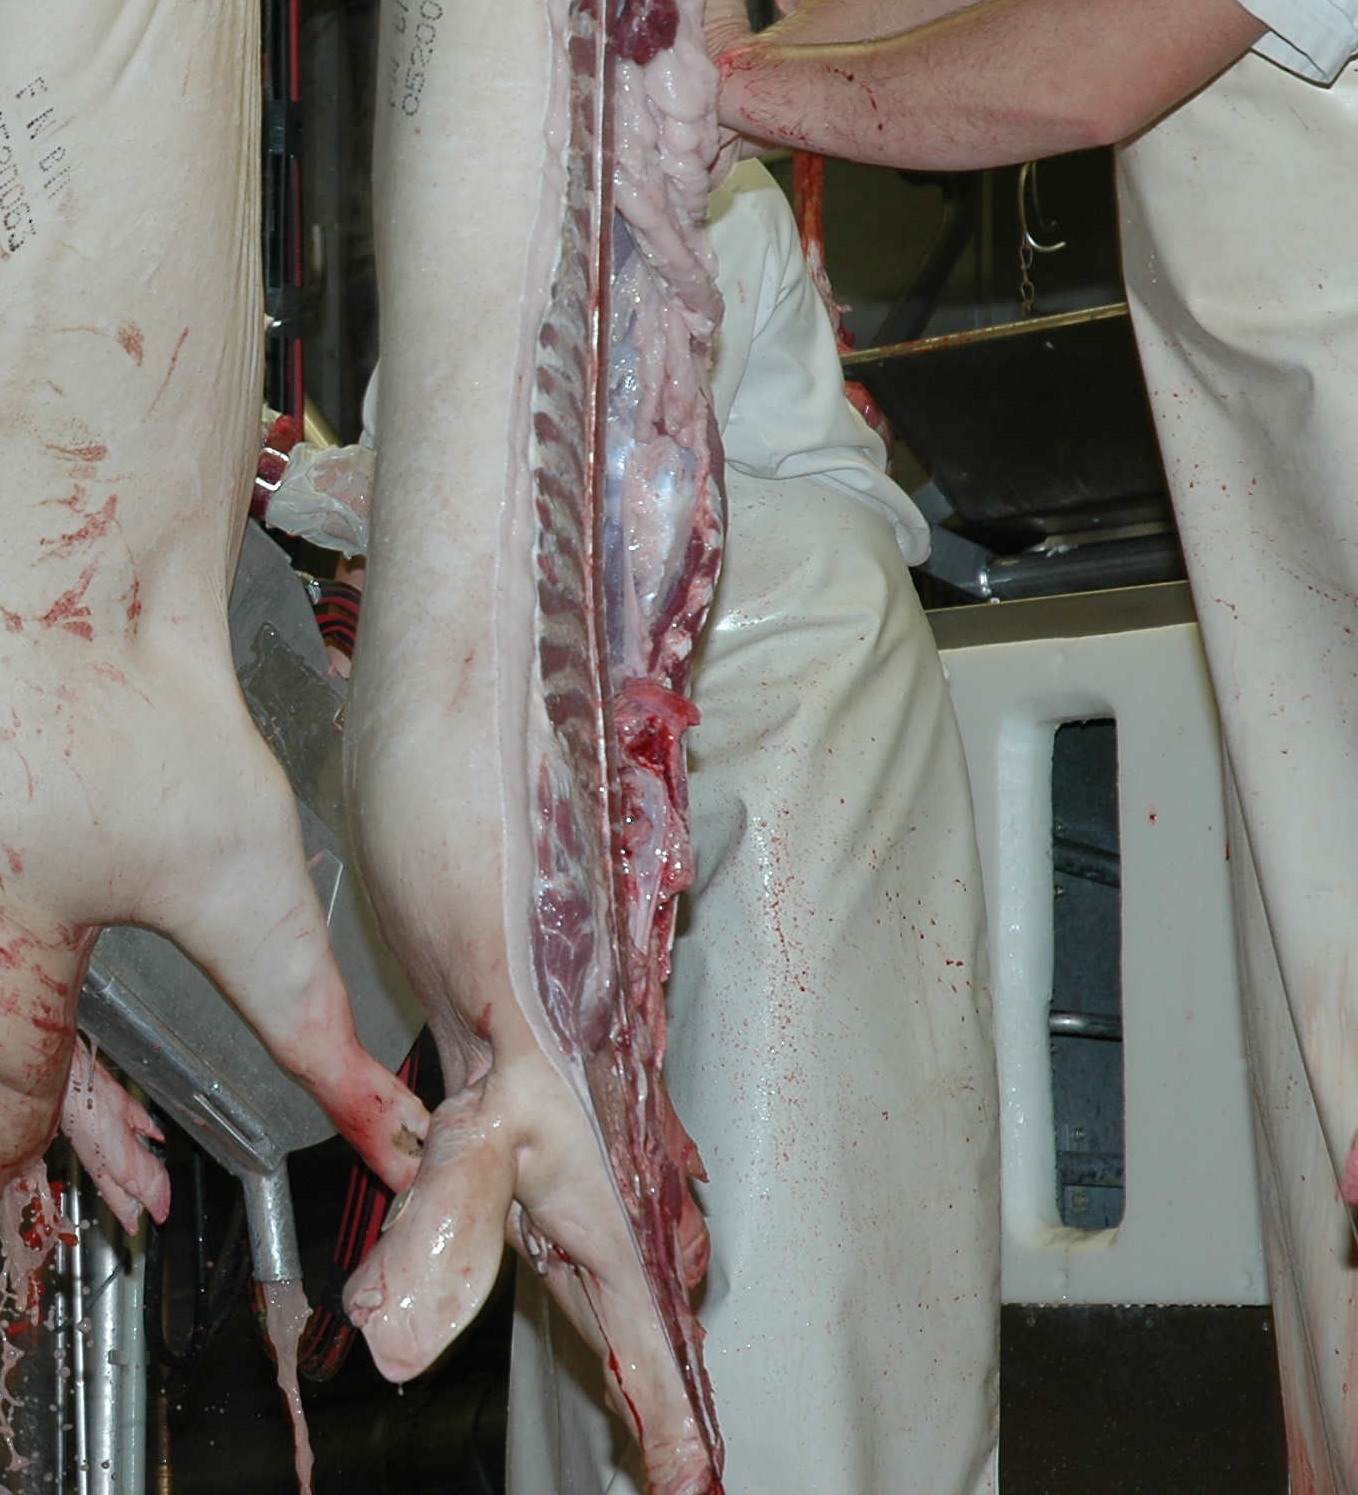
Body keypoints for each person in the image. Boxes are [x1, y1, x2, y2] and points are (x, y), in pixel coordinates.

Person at [711, 0, 1358, 1470]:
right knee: (1323, 1155)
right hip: (1279, 525)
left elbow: (1095, 61)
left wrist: (727, 97)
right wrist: (720, 65)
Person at [354, 165, 1001, 1494]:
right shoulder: (471, 196)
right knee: (594, 1206)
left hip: (787, 689)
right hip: (593, 700)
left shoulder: (680, 174)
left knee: (785, 1249)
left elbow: (605, 467)